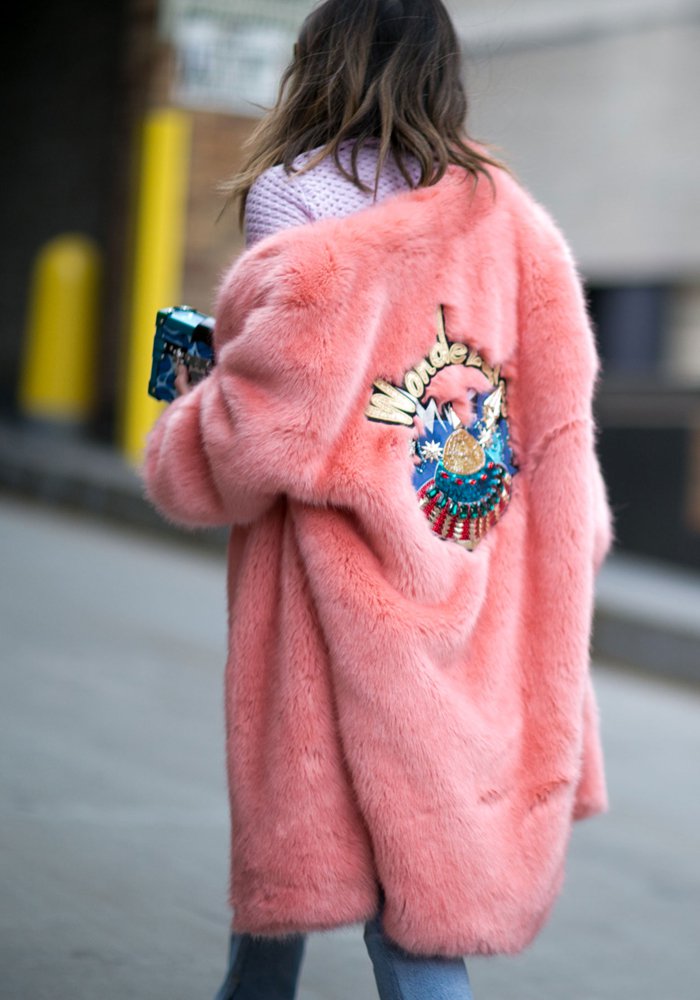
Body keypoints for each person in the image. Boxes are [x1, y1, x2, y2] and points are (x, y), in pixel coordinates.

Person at [143, 2, 615, 998]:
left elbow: (265, 428)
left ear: (318, 61)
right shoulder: (511, 220)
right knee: (419, 888)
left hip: (327, 595)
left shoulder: (294, 197)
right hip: (466, 570)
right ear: (443, 72)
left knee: (304, 852)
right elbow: (560, 430)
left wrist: (192, 409)